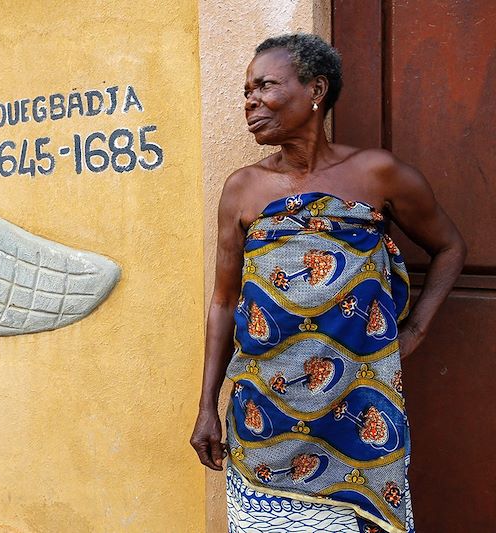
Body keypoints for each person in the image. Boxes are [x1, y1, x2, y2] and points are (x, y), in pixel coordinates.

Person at [190, 34, 466, 533]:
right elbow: (224, 301)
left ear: (316, 89)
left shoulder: (377, 173)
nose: (249, 100)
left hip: (359, 413)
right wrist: (207, 405)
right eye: (246, 90)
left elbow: (449, 247)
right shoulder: (242, 188)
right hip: (263, 417)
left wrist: (416, 331)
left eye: (265, 85)